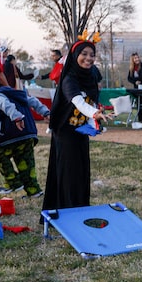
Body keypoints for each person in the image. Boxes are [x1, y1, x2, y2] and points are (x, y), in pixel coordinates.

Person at [42, 37, 113, 213]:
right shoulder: (69, 79)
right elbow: (79, 102)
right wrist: (94, 113)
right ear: (75, 55)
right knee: (68, 173)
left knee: (81, 172)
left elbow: (92, 101)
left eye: (92, 55)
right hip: (65, 132)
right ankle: (66, 212)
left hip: (81, 131)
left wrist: (94, 123)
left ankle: (81, 209)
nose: (88, 58)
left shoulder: (90, 77)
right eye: (84, 54)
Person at [0, 76, 49, 197]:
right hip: (28, 133)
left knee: (0, 155)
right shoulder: (15, 93)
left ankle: (13, 182)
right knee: (26, 163)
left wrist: (16, 117)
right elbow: (33, 101)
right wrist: (45, 112)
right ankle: (34, 191)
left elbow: (5, 105)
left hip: (11, 134)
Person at [127, 52, 142, 124]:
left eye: (138, 57)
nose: (137, 59)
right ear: (132, 60)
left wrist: (140, 81)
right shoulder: (131, 68)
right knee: (139, 104)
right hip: (136, 89)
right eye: (135, 58)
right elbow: (129, 78)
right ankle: (141, 120)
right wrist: (135, 82)